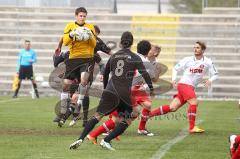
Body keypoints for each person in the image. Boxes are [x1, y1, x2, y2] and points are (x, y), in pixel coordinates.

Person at [69, 31, 154, 151]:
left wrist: (105, 88)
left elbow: (106, 72)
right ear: (132, 43)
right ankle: (106, 140)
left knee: (97, 116)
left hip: (110, 90)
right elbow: (144, 73)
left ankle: (81, 138)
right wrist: (150, 87)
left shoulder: (114, 56)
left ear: (121, 42)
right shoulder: (134, 57)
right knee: (128, 118)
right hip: (123, 93)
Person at [144, 41, 218, 133]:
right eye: (194, 47)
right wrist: (174, 80)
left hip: (190, 87)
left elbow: (215, 74)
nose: (195, 49)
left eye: (198, 48)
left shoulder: (208, 62)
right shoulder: (187, 59)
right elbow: (175, 68)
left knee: (172, 108)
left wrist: (210, 80)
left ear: (203, 50)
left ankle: (148, 115)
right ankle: (192, 128)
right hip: (184, 85)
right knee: (194, 102)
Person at [53, 25, 111, 127]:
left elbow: (102, 61)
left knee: (81, 95)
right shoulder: (79, 41)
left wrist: (102, 73)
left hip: (87, 72)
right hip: (75, 70)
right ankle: (69, 114)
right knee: (73, 96)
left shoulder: (95, 50)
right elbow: (65, 38)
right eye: (94, 34)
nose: (95, 37)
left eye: (96, 35)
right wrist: (59, 48)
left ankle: (81, 118)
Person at [58, 7, 96, 127]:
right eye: (80, 16)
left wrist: (90, 36)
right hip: (73, 59)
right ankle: (64, 108)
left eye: (84, 16)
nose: (82, 18)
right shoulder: (69, 26)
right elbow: (65, 42)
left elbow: (94, 44)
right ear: (76, 16)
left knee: (84, 81)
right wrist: (71, 34)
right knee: (66, 84)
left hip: (86, 59)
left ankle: (78, 104)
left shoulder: (90, 27)